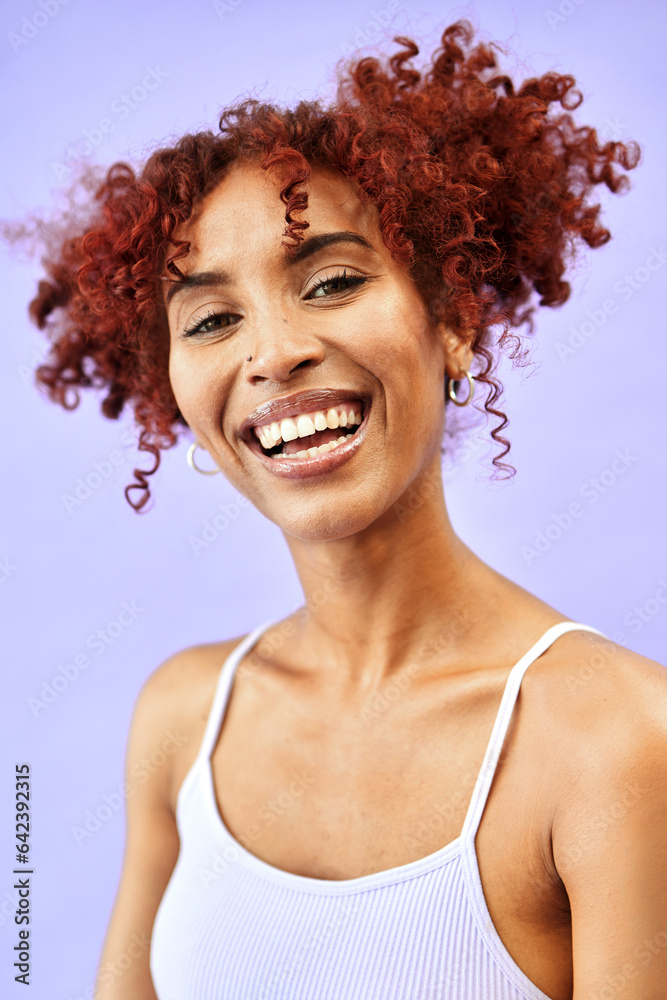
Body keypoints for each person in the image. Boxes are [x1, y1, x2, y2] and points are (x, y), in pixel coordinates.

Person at [23, 19, 666, 1000]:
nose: (272, 352)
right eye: (209, 319)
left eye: (331, 280)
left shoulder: (615, 737)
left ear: (451, 322)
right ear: (175, 393)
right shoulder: (183, 716)